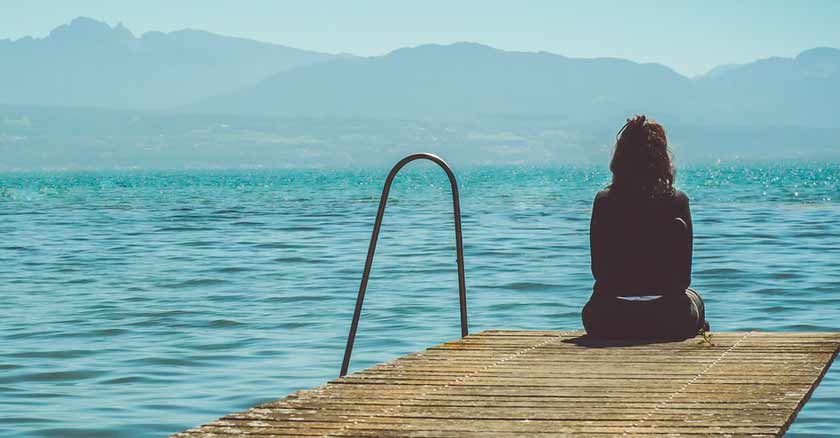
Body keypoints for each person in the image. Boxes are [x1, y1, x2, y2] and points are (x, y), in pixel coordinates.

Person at [582, 115, 708, 340]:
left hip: (609, 316)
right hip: (669, 317)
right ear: (662, 159)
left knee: (591, 308)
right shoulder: (677, 201)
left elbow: (598, 272)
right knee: (695, 298)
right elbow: (684, 280)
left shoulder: (604, 201)